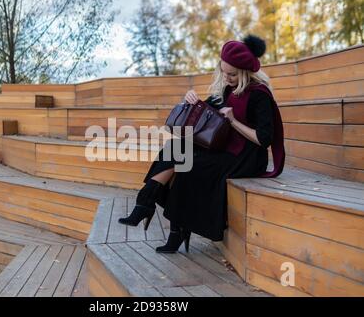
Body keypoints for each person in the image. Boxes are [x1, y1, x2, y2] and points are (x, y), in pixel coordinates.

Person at [118, 34, 285, 253]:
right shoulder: (226, 89)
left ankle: (176, 230)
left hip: (247, 156)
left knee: (190, 166)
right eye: (223, 72)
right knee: (176, 149)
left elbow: (264, 140)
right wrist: (191, 100)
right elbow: (206, 112)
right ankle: (145, 203)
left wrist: (233, 121)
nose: (226, 77)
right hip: (225, 148)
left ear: (245, 72)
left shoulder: (259, 95)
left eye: (232, 74)